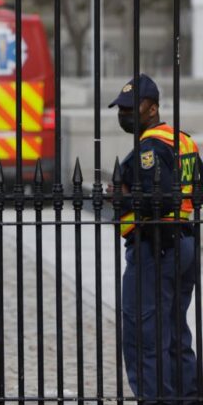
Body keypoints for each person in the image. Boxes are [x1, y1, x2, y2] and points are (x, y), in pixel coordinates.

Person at [107, 74, 199, 402]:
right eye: (121, 108)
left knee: (144, 335)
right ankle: (187, 396)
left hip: (154, 247)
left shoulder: (149, 148)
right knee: (175, 332)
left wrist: (120, 196)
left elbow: (157, 200)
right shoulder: (183, 140)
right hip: (184, 242)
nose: (124, 114)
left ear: (152, 108)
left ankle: (157, 398)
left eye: (132, 108)